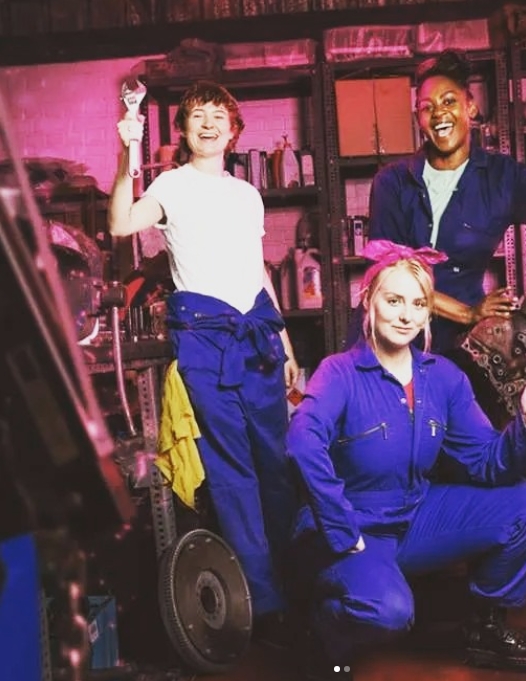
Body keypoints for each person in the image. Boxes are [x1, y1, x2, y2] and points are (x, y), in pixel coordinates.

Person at [286, 240, 526, 680]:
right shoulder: (339, 372)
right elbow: (302, 442)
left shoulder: (443, 378)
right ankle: (323, 633)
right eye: (393, 300)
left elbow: (488, 462)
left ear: (428, 312)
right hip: (352, 525)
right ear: (368, 302)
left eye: (418, 304)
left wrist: (524, 420)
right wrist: (342, 531)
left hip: (414, 516)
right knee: (389, 611)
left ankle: (486, 628)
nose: (406, 315)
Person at [108, 81, 299, 632]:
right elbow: (120, 223)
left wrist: (285, 341)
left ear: (234, 131)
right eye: (197, 115)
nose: (209, 123)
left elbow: (256, 269)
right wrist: (125, 152)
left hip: (258, 338)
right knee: (233, 473)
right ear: (185, 130)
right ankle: (266, 605)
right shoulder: (171, 184)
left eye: (219, 115)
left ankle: (298, 585)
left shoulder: (247, 194)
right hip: (204, 340)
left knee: (276, 467)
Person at [368, 49, 526, 356]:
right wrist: (467, 313)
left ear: (471, 107)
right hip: (389, 342)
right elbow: (385, 275)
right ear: (418, 119)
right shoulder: (392, 182)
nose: (439, 113)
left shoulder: (502, 177)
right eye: (426, 107)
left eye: (449, 101)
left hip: (457, 347)